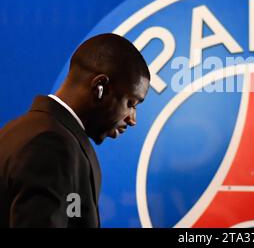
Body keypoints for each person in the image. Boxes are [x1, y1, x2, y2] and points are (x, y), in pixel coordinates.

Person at [0, 33, 150, 228]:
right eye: (131, 103)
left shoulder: (20, 132)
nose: (132, 119)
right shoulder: (50, 145)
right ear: (100, 87)